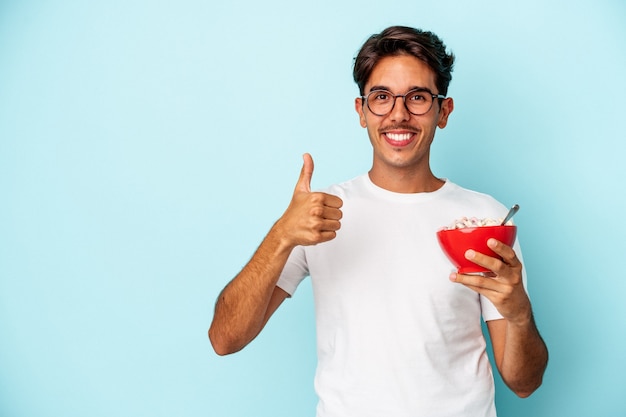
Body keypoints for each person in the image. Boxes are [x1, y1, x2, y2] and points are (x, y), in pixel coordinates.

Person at [209, 25, 548, 417]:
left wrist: (519, 312)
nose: (398, 115)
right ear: (361, 111)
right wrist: (281, 235)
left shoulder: (487, 220)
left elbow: (524, 384)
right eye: (382, 97)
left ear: (444, 111)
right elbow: (224, 339)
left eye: (418, 97)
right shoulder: (320, 214)